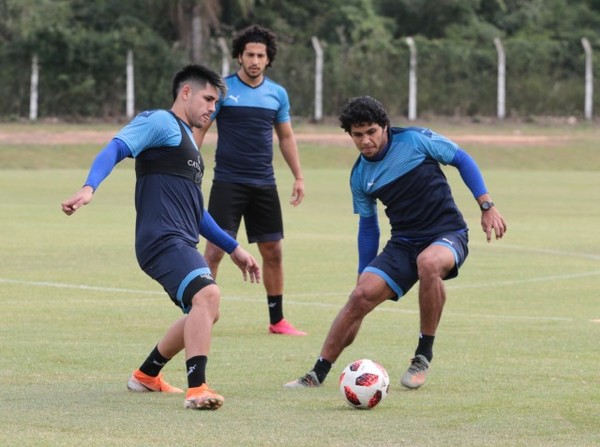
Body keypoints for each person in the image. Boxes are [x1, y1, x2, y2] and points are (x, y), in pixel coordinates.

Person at [61, 64, 261, 411]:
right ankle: (197, 388)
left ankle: (146, 375)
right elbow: (116, 148)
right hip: (162, 238)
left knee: (206, 310)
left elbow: (196, 212)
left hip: (181, 239)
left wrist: (234, 248)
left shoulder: (188, 144)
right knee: (208, 295)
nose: (212, 108)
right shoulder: (159, 122)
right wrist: (89, 186)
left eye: (216, 102)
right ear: (186, 92)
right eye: (208, 98)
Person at [285, 95, 507, 390]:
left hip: (447, 233)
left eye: (371, 132)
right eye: (358, 135)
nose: (366, 140)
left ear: (385, 127)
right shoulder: (360, 176)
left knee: (429, 263)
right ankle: (316, 373)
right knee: (359, 297)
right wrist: (364, 270)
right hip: (403, 242)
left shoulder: (414, 140)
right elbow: (368, 227)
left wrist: (486, 205)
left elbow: (461, 159)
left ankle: (422, 355)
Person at [194, 25, 306, 336]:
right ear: (239, 57)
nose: (255, 60)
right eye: (250, 55)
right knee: (215, 250)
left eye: (261, 55)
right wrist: (189, 161)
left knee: (273, 251)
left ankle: (277, 320)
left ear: (268, 59)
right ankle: (203, 312)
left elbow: (285, 136)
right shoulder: (223, 90)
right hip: (228, 182)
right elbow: (201, 128)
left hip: (264, 184)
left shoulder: (277, 94)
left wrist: (298, 176)